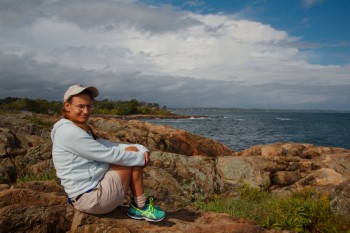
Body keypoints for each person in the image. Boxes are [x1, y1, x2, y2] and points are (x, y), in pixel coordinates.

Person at [51, 84, 165, 222]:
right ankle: (140, 206)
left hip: (89, 193)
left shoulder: (76, 128)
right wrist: (141, 158)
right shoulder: (69, 132)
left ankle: (140, 205)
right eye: (80, 106)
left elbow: (109, 145)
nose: (86, 111)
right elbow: (109, 155)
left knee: (131, 153)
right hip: (91, 199)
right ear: (67, 106)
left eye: (89, 106)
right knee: (129, 157)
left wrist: (140, 148)